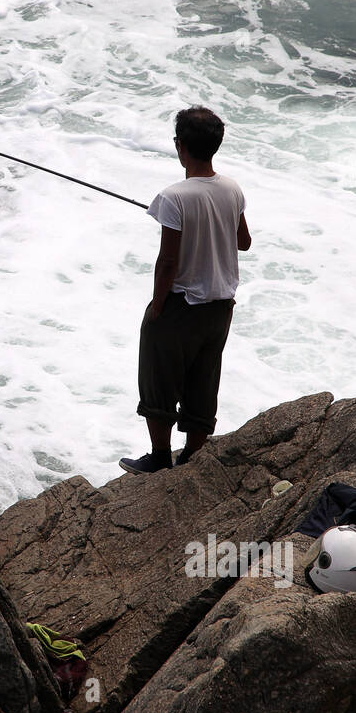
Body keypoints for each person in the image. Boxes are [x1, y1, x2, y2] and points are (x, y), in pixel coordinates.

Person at [120, 106, 251, 475]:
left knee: (159, 378)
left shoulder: (174, 197)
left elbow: (168, 262)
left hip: (182, 305)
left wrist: (157, 307)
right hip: (220, 307)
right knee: (203, 377)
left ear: (181, 146)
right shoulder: (232, 189)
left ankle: (160, 457)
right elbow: (244, 242)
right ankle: (193, 455)